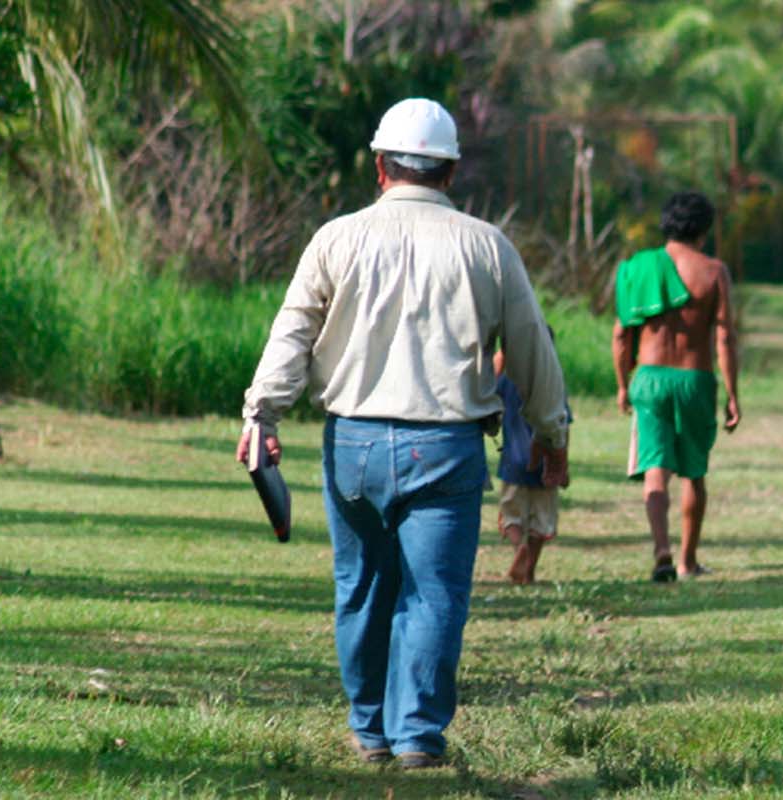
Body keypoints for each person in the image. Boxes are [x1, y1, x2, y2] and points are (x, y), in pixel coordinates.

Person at [236, 98, 569, 770]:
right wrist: (551, 433)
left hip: (353, 443)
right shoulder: (486, 245)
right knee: (434, 594)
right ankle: (416, 734)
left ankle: (368, 730)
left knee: (359, 587)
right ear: (449, 172)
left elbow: (292, 329)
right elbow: (532, 347)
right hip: (445, 449)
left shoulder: (337, 238)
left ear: (381, 166)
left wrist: (260, 414)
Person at [611, 191, 740, 582]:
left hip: (649, 378)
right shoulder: (714, 272)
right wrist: (733, 393)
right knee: (693, 472)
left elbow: (621, 334)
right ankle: (687, 561)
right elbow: (724, 339)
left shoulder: (638, 267)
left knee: (654, 469)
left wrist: (622, 384)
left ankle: (661, 549)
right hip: (695, 379)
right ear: (704, 229)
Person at [491, 344, 571, 585]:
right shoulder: (554, 385)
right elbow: (564, 425)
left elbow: (489, 394)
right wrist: (563, 463)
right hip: (547, 463)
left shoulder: (507, 381)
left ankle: (519, 548)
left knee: (511, 516)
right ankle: (529, 571)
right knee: (541, 522)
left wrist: (502, 356)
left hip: (514, 464)